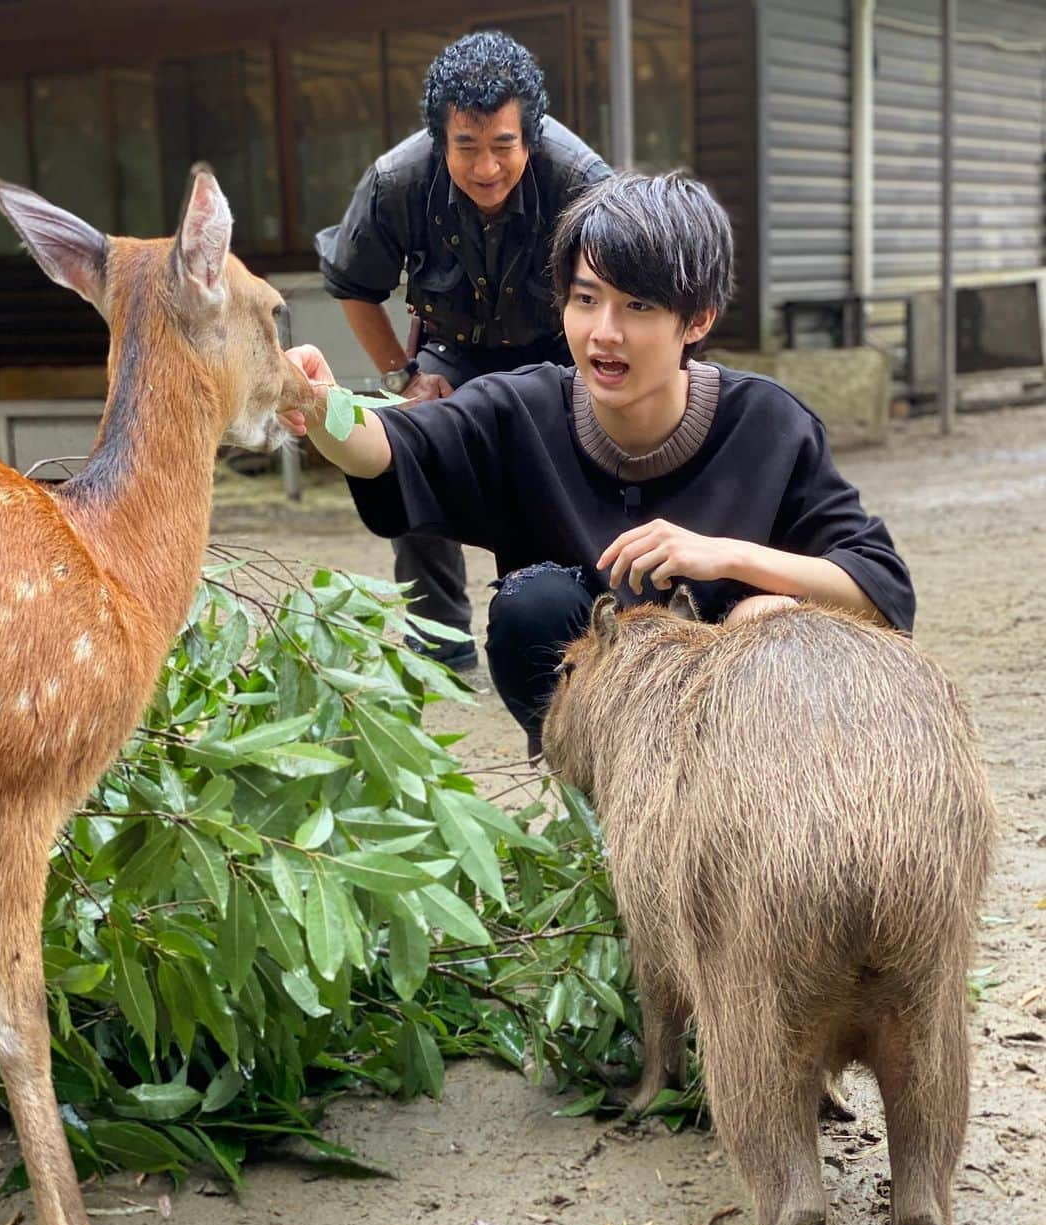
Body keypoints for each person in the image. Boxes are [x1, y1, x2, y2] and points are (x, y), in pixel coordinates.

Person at [285, 172, 915, 757]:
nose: (603, 332)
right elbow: (390, 446)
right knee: (534, 603)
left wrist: (726, 558)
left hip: (736, 745)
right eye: (587, 299)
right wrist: (322, 406)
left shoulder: (770, 424)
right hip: (592, 722)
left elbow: (879, 593)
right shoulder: (523, 407)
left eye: (638, 307)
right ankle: (595, 810)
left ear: (696, 319)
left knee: (769, 618)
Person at [316, 30, 611, 672]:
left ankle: (564, 643)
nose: (486, 169)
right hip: (448, 351)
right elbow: (353, 286)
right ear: (438, 138)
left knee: (562, 479)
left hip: (558, 353)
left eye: (503, 146)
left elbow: (620, 291)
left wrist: (601, 381)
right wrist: (403, 375)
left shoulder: (582, 181)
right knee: (405, 455)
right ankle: (438, 646)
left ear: (530, 137)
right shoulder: (397, 181)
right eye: (466, 147)